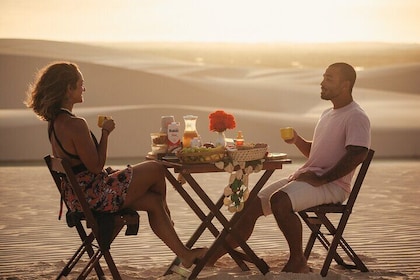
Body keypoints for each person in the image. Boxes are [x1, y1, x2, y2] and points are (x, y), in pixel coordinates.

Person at [25, 61, 207, 268]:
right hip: (95, 195)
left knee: (154, 202)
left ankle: (184, 253)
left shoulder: (56, 122)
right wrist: (105, 133)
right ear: (68, 88)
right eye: (80, 83)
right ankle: (169, 222)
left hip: (80, 197)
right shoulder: (75, 124)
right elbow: (95, 166)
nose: (84, 88)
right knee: (156, 168)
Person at [207, 62, 371, 273]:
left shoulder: (356, 116)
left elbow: (359, 153)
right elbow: (318, 152)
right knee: (250, 205)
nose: (322, 83)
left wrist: (323, 179)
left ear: (346, 85)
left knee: (280, 201)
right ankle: (211, 257)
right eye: (323, 77)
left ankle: (298, 261)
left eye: (329, 79)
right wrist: (297, 141)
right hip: (308, 178)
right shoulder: (327, 114)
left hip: (333, 185)